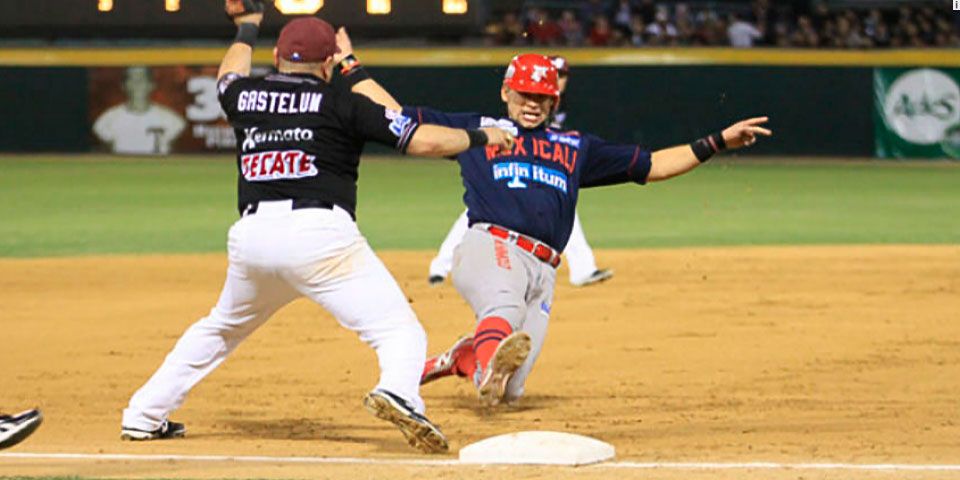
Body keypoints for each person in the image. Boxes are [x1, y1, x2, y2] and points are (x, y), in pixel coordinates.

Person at [119, 1, 514, 454]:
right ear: (328, 64)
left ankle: (143, 415)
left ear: (277, 58)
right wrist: (482, 136)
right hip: (320, 237)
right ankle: (400, 393)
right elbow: (421, 139)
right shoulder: (343, 103)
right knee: (398, 330)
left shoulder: (245, 95)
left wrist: (247, 26)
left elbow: (227, 75)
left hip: (253, 238)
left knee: (221, 328)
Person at [338, 32, 771, 406]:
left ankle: (463, 358)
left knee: (510, 390)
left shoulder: (576, 146)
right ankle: (485, 360)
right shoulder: (476, 129)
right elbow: (395, 115)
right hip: (492, 246)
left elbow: (653, 165)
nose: (532, 103)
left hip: (544, 270)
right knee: (503, 309)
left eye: (542, 97)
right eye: (524, 94)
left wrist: (717, 141)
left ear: (554, 101)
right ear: (506, 92)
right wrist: (351, 67)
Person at [427, 56, 613, 288]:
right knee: (474, 217)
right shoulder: (532, 99)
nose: (560, 79)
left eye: (563, 75)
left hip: (538, 170)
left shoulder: (556, 102)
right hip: (506, 161)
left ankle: (583, 268)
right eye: (557, 75)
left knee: (562, 207)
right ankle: (440, 266)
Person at [93, 66, 187, 155]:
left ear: (152, 85)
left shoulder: (172, 119)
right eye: (132, 78)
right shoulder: (107, 120)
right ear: (124, 85)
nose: (137, 82)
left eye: (142, 78)